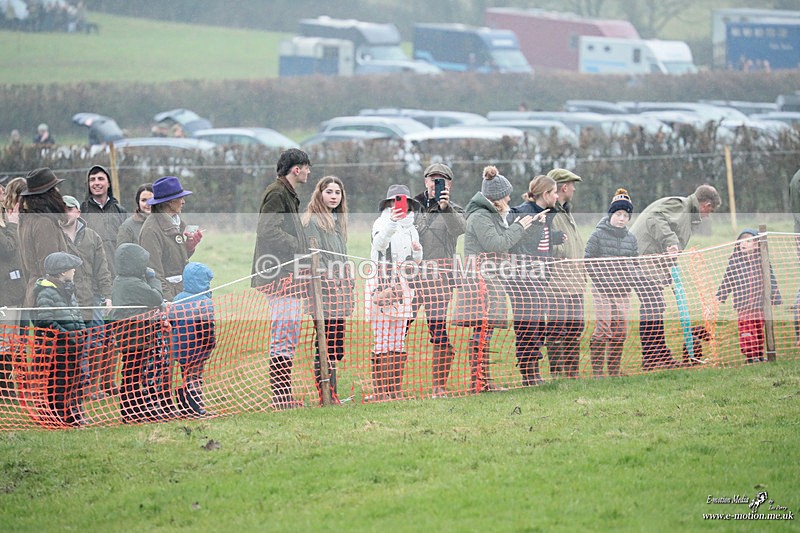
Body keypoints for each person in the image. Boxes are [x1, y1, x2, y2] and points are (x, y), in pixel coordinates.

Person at [630, 184, 721, 370]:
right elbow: (655, 218)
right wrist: (670, 242)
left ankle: (656, 354)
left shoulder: (687, 213)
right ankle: (654, 356)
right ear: (705, 204)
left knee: (655, 305)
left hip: (652, 264)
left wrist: (668, 271)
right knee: (652, 305)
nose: (708, 215)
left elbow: (672, 248)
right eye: (710, 210)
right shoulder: (680, 206)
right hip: (640, 260)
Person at [462, 165, 534, 393]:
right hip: (480, 280)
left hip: (488, 278)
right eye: (506, 195)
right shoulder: (481, 217)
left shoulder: (489, 215)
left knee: (485, 329)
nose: (510, 198)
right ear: (496, 198)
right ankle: (480, 381)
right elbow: (497, 243)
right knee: (481, 331)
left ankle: (483, 380)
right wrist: (519, 227)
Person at [251, 148, 311, 410]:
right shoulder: (277, 193)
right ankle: (280, 398)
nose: (309, 171)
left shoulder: (287, 193)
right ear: (296, 169)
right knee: (284, 335)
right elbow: (266, 230)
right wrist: (297, 244)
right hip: (277, 274)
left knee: (289, 333)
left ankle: (283, 395)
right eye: (306, 167)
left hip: (285, 273)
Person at [411, 163, 466, 397]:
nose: (436, 183)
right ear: (425, 181)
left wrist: (445, 209)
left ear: (449, 185)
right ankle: (388, 387)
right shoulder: (411, 206)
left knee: (438, 330)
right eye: (433, 179)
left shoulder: (454, 209)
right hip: (412, 279)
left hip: (440, 281)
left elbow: (461, 229)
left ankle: (439, 386)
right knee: (398, 327)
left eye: (441, 180)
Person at [365, 184, 422, 401]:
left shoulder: (411, 228)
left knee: (398, 340)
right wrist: (392, 223)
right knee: (382, 340)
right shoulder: (381, 223)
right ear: (389, 204)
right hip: (382, 285)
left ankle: (394, 390)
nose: (400, 206)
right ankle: (381, 392)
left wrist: (418, 252)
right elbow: (379, 245)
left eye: (404, 202)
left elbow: (413, 262)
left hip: (403, 287)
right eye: (396, 202)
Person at [507, 175, 562, 386]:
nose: (557, 196)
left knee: (538, 325)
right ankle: (528, 373)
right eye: (554, 192)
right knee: (527, 327)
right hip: (522, 281)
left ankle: (534, 371)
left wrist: (553, 236)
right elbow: (516, 237)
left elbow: (540, 243)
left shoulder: (545, 214)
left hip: (539, 279)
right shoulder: (522, 213)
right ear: (545, 194)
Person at [302, 175, 352, 403]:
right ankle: (326, 393)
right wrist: (328, 276)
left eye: (337, 192)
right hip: (324, 291)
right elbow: (314, 256)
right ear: (319, 193)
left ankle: (333, 392)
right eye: (329, 192)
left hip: (340, 290)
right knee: (325, 342)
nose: (333, 196)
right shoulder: (313, 220)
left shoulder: (337, 220)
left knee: (335, 345)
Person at [59, 195, 114, 400]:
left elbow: (103, 269)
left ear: (78, 212)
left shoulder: (92, 236)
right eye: (62, 209)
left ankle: (90, 386)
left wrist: (107, 296)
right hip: (66, 300)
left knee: (96, 343)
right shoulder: (56, 235)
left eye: (70, 208)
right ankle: (76, 387)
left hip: (92, 298)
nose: (66, 212)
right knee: (73, 345)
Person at [584, 189, 639, 378]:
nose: (622, 218)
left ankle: (614, 370)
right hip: (602, 291)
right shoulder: (597, 235)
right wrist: (601, 281)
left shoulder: (631, 239)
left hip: (623, 292)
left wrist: (632, 280)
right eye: (618, 214)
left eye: (625, 215)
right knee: (604, 328)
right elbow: (588, 260)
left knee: (621, 331)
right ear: (611, 214)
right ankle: (598, 371)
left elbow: (635, 264)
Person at [109, 243, 166, 423]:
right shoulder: (131, 283)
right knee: (132, 374)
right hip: (134, 336)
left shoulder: (122, 280)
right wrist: (153, 279)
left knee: (132, 372)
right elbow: (156, 297)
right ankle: (131, 411)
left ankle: (136, 409)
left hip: (132, 335)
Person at [32, 252, 86, 427]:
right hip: (58, 349)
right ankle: (59, 415)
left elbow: (76, 313)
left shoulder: (69, 289)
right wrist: (67, 335)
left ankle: (74, 414)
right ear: (62, 272)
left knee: (75, 381)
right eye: (71, 269)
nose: (74, 271)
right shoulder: (46, 292)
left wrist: (81, 331)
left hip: (73, 345)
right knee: (60, 382)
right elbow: (45, 321)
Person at [716, 229, 782, 364]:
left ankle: (759, 354)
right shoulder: (735, 262)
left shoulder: (763, 260)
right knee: (747, 331)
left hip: (759, 306)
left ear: (757, 244)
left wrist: (776, 297)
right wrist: (720, 297)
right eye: (741, 241)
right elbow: (727, 282)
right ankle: (750, 357)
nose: (743, 244)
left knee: (758, 331)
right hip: (743, 307)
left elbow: (771, 280)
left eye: (748, 241)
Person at [545, 168, 586, 379]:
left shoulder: (566, 211)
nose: (574, 189)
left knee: (576, 327)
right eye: (572, 185)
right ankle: (557, 373)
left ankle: (572, 373)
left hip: (575, 282)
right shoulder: (549, 213)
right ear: (563, 187)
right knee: (556, 329)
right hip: (558, 284)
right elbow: (545, 242)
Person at [138, 176, 202, 301]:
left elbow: (173, 262)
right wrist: (169, 302)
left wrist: (189, 248)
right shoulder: (150, 230)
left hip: (180, 293)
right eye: (180, 198)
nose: (183, 202)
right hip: (166, 300)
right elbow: (153, 273)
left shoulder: (180, 223)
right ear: (170, 202)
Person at [17, 168, 69, 309]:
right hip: (48, 298)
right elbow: (50, 267)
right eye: (55, 188)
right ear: (48, 194)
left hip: (36, 293)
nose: (58, 191)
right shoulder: (44, 223)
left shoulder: (27, 220)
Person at [170, 262, 216, 417]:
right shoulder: (204, 302)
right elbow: (206, 325)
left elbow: (171, 321)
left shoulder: (177, 298)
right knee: (195, 377)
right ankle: (196, 407)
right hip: (197, 347)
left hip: (180, 347)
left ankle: (184, 406)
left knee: (185, 374)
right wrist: (210, 342)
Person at [0, 177, 26, 398]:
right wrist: (13, 224)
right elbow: (7, 247)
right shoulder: (8, 221)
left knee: (11, 341)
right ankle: (6, 391)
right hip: (4, 294)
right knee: (5, 343)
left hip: (13, 290)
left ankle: (10, 390)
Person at [80, 165, 127, 277]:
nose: (96, 183)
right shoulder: (82, 211)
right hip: (91, 275)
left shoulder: (120, 211)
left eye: (101, 179)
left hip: (117, 273)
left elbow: (126, 244)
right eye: (92, 179)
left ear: (109, 183)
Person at [116, 183, 153, 248]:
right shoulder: (127, 227)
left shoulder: (165, 223)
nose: (148, 204)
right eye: (144, 200)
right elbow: (122, 253)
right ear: (138, 202)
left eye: (151, 200)